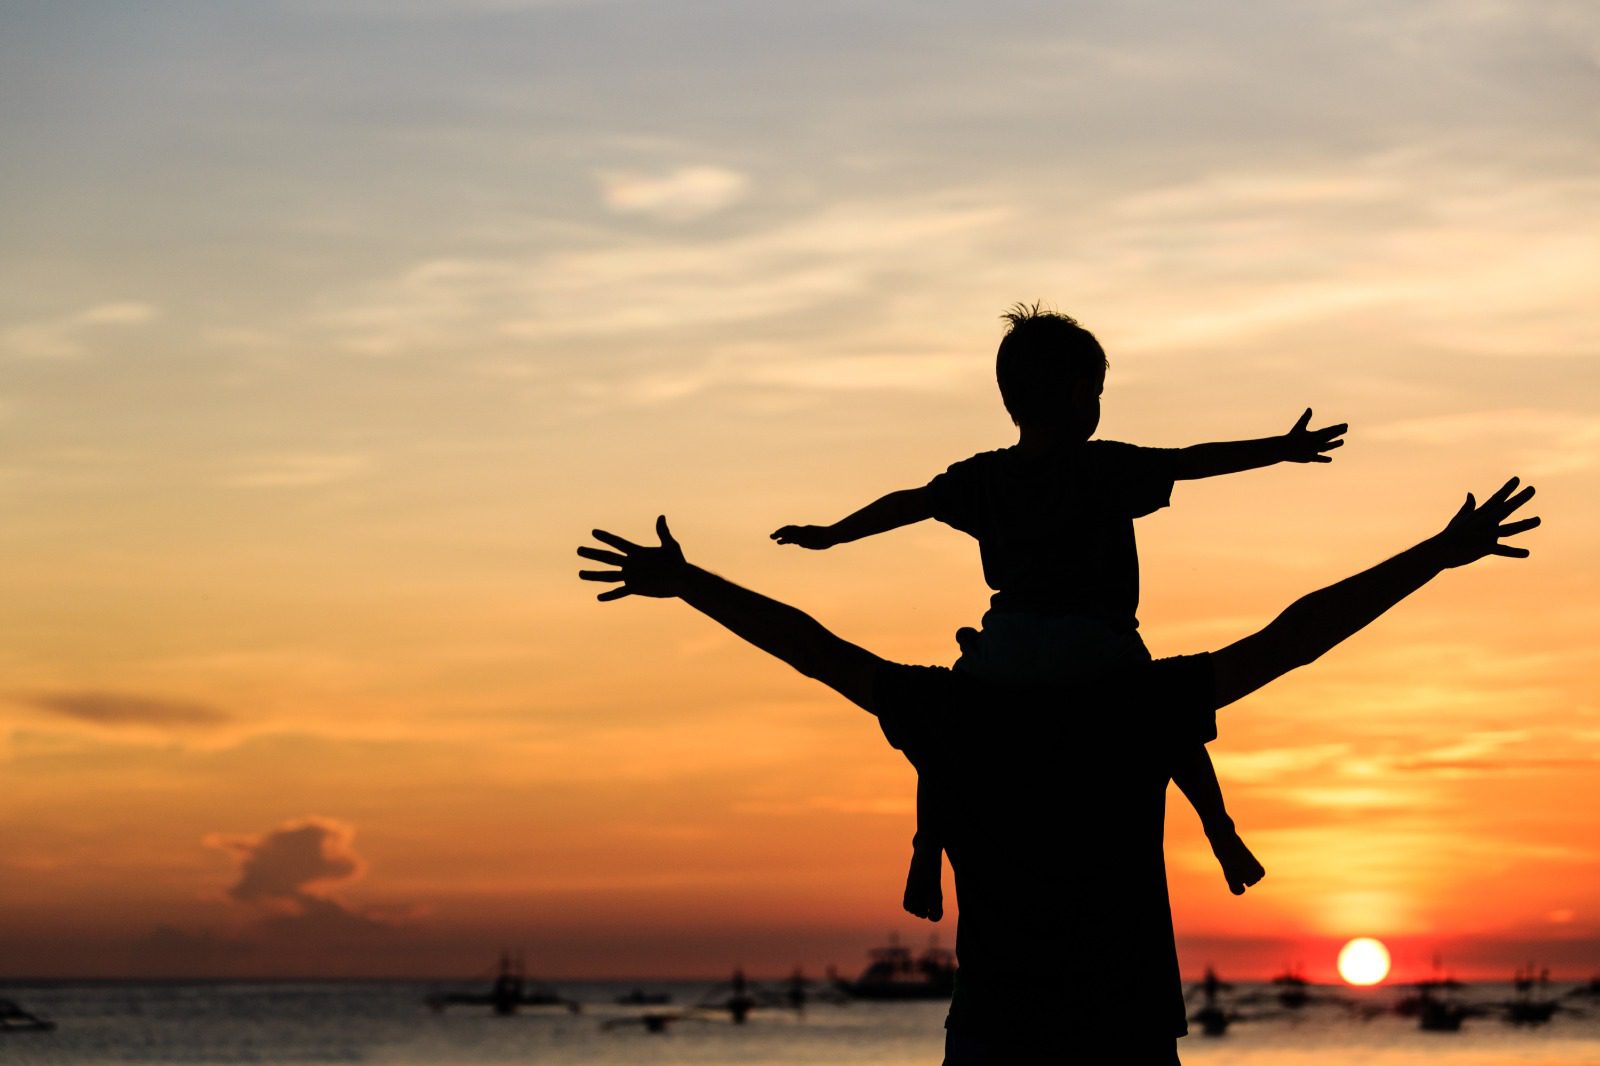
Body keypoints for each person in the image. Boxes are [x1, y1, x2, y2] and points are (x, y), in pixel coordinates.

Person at [579, 478, 1536, 1064]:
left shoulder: (952, 711)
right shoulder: (1137, 705)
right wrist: (1437, 556)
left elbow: (812, 647)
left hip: (998, 1031)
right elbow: (1294, 637)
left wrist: (690, 583)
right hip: (1122, 1030)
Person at [772, 304, 1348, 916]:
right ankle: (1221, 832)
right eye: (1096, 394)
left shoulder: (985, 477)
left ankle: (925, 852)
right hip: (1098, 647)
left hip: (1008, 649)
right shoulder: (1104, 466)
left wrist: (832, 534)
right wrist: (1279, 449)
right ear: (1080, 395)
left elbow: (907, 503)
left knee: (943, 733)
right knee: (1170, 715)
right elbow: (1193, 459)